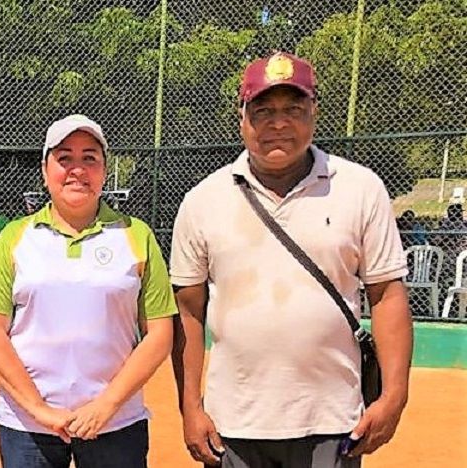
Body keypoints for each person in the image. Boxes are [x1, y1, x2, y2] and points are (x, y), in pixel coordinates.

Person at [169, 52, 412, 467]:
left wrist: (395, 395)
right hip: (234, 422)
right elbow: (188, 310)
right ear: (242, 116)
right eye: (263, 111)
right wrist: (190, 407)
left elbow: (387, 294)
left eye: (293, 109)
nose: (278, 124)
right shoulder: (203, 200)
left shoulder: (360, 189)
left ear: (314, 111)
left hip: (332, 419)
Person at [0, 114, 177, 468]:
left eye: (89, 158)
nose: (77, 170)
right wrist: (39, 409)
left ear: (104, 170)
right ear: (45, 170)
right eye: (64, 158)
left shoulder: (137, 235)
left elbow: (159, 334)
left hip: (116, 422)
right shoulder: (15, 237)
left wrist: (106, 406)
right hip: (27, 424)